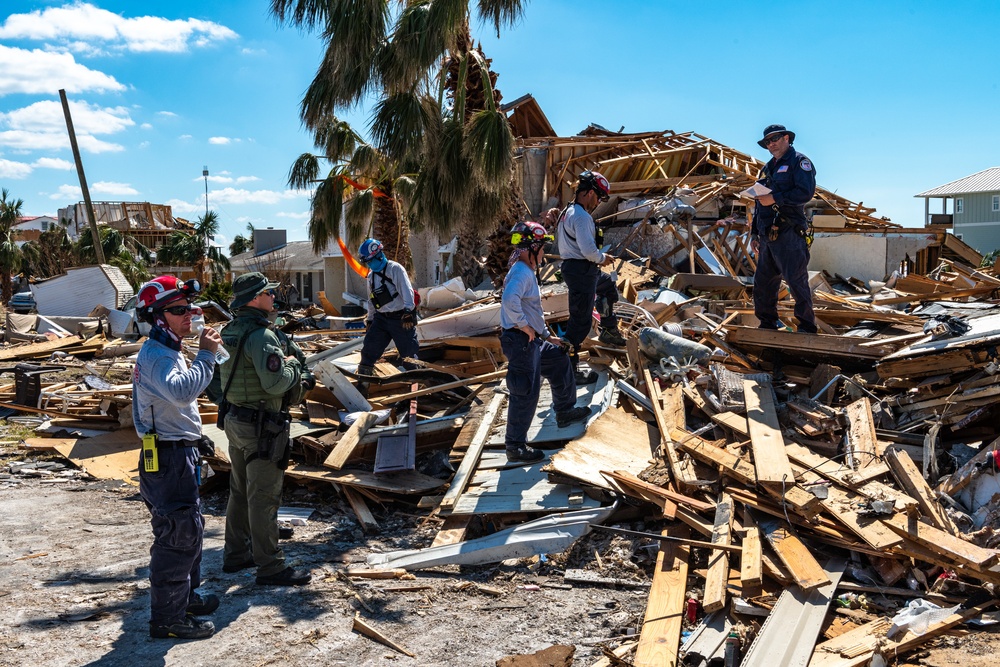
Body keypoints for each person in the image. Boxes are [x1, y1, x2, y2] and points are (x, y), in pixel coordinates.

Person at [133, 276, 222, 640]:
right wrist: (206, 354)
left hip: (176, 453)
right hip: (167, 457)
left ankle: (184, 598)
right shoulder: (157, 357)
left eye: (190, 308)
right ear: (158, 317)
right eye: (179, 310)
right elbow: (182, 393)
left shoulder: (168, 351)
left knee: (189, 529)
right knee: (177, 535)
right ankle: (168, 619)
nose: (189, 315)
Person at [219, 272, 314, 586]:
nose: (274, 297)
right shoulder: (263, 337)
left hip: (235, 421)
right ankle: (270, 567)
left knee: (239, 490)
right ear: (254, 299)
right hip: (262, 426)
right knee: (263, 497)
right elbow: (275, 383)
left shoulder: (228, 332)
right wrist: (291, 365)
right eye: (269, 293)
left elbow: (213, 383)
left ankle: (236, 554)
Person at [500, 221, 591, 462]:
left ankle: (564, 411)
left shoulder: (524, 270)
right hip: (520, 342)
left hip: (531, 341)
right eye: (541, 249)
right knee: (526, 391)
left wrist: (544, 335)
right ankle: (515, 446)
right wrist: (524, 326)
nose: (543, 254)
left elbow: (531, 309)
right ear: (532, 247)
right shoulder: (521, 271)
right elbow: (510, 301)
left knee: (559, 359)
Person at [555, 170, 626, 385]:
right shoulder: (582, 216)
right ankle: (569, 369)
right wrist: (602, 258)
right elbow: (589, 251)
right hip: (582, 270)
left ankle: (608, 329)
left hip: (580, 270)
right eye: (598, 197)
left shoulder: (568, 211)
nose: (598, 202)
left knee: (607, 287)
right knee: (581, 323)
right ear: (587, 193)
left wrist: (597, 259)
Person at [750, 124, 818, 334]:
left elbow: (805, 193)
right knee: (763, 286)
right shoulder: (768, 167)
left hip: (789, 233)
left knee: (796, 283)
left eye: (775, 139)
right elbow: (760, 202)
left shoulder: (799, 162)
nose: (771, 144)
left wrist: (776, 198)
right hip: (767, 236)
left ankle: (806, 328)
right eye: (767, 142)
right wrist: (754, 233)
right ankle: (767, 325)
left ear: (787, 138)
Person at [356, 238, 419, 375]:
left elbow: (407, 292)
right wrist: (371, 319)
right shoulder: (371, 276)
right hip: (381, 319)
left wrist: (408, 311)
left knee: (409, 358)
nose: (369, 265)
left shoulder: (395, 269)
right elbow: (371, 299)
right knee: (368, 351)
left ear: (378, 256)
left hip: (401, 318)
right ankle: (362, 385)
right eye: (367, 262)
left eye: (370, 261)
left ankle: (416, 389)